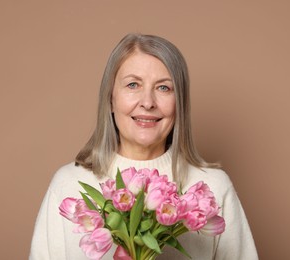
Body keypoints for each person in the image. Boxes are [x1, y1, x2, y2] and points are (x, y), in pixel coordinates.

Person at [30, 33, 258, 259]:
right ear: (110, 98)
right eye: (132, 84)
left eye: (164, 88)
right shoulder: (67, 185)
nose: (148, 102)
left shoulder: (213, 189)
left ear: (180, 104)